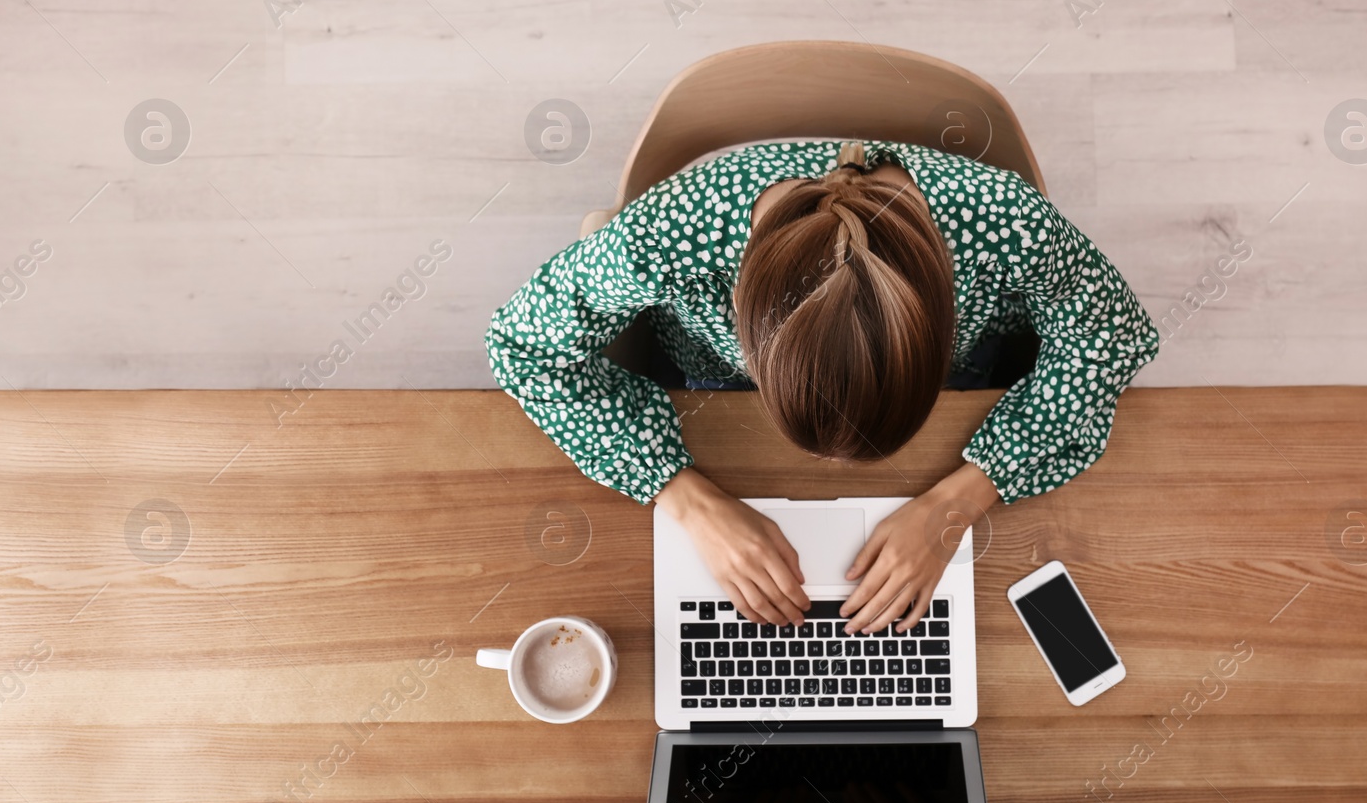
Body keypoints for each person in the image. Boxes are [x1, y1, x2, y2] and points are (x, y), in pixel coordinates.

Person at [487, 139, 1158, 634]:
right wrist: (684, 499)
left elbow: (1113, 337)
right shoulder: (668, 237)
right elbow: (520, 345)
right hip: (717, 389)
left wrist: (958, 501)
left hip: (962, 383)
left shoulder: (1009, 223)